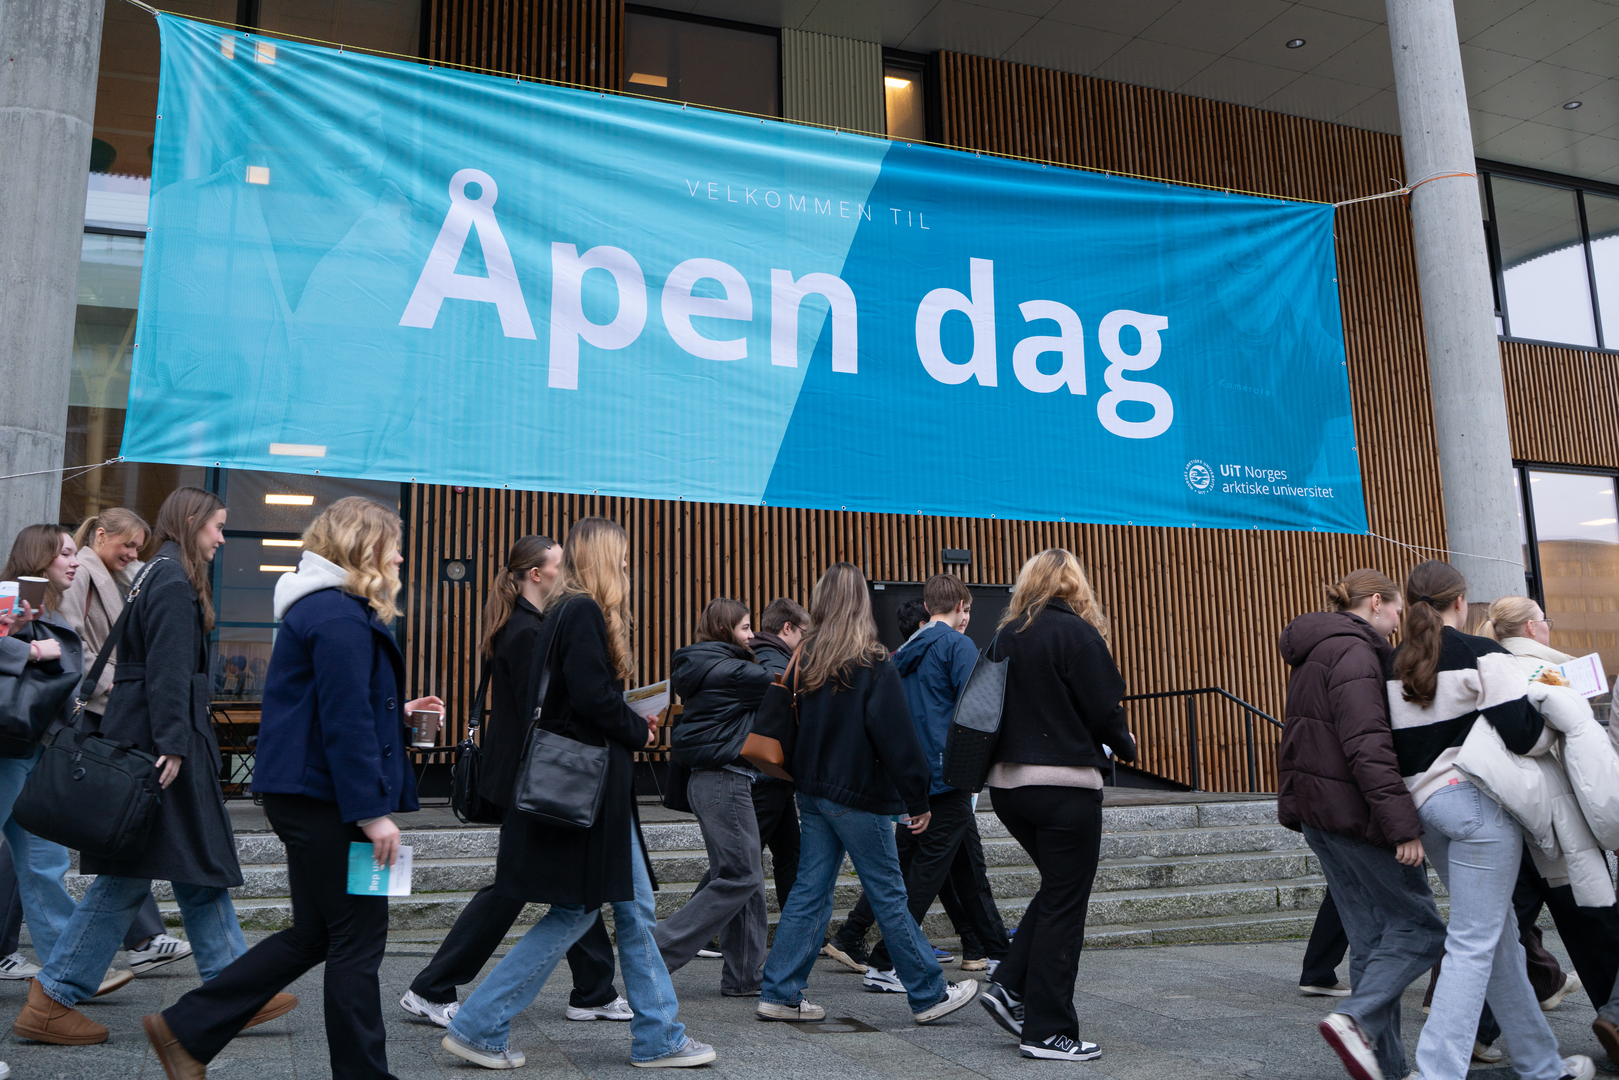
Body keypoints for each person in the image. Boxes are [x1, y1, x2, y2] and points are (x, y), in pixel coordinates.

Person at [141, 497, 434, 1078]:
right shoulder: (338, 615)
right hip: (327, 798)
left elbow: (326, 705)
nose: (401, 556)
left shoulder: (322, 610)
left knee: (313, 935)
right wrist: (373, 813)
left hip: (306, 794)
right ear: (363, 547)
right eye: (392, 544)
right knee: (357, 939)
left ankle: (186, 1029)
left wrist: (395, 711)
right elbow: (344, 722)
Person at [14, 489, 288, 1046]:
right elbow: (165, 666)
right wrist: (174, 743)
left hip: (153, 735)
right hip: (160, 743)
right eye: (216, 527)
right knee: (141, 871)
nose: (220, 539)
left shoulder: (157, 573)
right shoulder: (170, 578)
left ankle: (233, 991)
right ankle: (56, 997)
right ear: (193, 523)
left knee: (188, 864)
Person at [443, 517, 716, 1069]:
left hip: (587, 794)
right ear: (602, 560)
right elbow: (591, 699)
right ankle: (479, 1023)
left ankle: (658, 1035)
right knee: (579, 911)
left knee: (626, 909)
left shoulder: (562, 612)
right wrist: (637, 726)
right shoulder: (583, 612)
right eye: (619, 556)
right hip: (589, 798)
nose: (625, 566)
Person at [404, 535, 630, 1027]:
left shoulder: (520, 625)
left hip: (519, 771)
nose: (564, 572)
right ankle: (431, 985)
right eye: (557, 565)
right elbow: (553, 708)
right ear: (536, 574)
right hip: (532, 774)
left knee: (565, 883)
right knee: (516, 886)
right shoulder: (529, 632)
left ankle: (593, 989)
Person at [1387, 561, 1592, 1080]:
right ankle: (1435, 1072)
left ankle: (1542, 1065)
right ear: (1461, 602)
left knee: (1496, 940)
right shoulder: (1484, 654)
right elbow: (1523, 735)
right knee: (1476, 942)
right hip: (1477, 806)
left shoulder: (1394, 664)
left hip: (1425, 810)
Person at [755, 562, 978, 1027]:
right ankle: (929, 992)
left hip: (811, 791)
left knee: (809, 892)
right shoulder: (871, 660)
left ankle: (780, 992)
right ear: (861, 602)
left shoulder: (807, 655)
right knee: (890, 893)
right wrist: (917, 800)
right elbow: (896, 739)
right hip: (858, 794)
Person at [1276, 569, 1445, 1080]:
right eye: (1396, 609)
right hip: (1353, 813)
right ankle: (1354, 1016)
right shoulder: (1355, 652)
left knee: (1371, 941)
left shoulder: (1318, 647)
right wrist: (1402, 825)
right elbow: (1367, 744)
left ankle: (1388, 1069)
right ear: (1376, 601)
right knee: (1422, 928)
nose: (1399, 622)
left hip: (1320, 811)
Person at [975, 548, 1135, 1062]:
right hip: (1065, 787)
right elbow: (1105, 707)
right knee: (1067, 903)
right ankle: (1048, 1031)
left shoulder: (1005, 636)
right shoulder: (1078, 633)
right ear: (1076, 585)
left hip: (1008, 789)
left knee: (1058, 889)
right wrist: (1125, 743)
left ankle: (1009, 988)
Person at [853, 574, 1009, 992]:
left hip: (915, 778)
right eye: (968, 609)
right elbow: (975, 712)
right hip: (950, 775)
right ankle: (886, 961)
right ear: (960, 604)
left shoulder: (903, 652)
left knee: (966, 867)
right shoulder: (959, 647)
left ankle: (998, 954)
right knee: (927, 876)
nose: (968, 617)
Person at [1483, 595, 1619, 1061]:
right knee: (1592, 919)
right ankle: (1614, 1017)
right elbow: (1565, 746)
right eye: (1545, 620)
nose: (1550, 627)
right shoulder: (1544, 672)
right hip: (1556, 815)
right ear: (1529, 627)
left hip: (1510, 812)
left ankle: (1473, 1028)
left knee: (1508, 921)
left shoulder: (1491, 667)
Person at [58, 508, 192, 977]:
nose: (134, 553)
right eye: (127, 544)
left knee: (115, 831)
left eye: (139, 546)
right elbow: (73, 644)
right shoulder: (84, 577)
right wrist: (123, 683)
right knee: (110, 831)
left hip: (115, 711)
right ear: (100, 535)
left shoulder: (134, 576)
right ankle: (134, 941)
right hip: (100, 709)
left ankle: (141, 938)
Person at [0, 527, 108, 1023]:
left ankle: (70, 966)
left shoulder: (47, 600)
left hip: (29, 747)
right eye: (65, 553)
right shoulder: (20, 594)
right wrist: (31, 652)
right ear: (39, 557)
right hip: (8, 748)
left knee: (43, 861)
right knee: (42, 861)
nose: (73, 561)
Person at [657, 598, 773, 996]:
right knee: (741, 876)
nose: (752, 636)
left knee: (746, 879)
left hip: (712, 782)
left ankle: (744, 977)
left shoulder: (704, 663)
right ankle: (657, 948)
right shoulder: (734, 669)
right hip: (725, 781)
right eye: (745, 628)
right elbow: (782, 680)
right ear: (726, 632)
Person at [749, 597, 808, 911]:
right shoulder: (776, 663)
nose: (804, 641)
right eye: (803, 633)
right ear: (788, 627)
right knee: (744, 860)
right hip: (769, 772)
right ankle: (700, 933)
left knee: (789, 854)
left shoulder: (756, 654)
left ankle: (795, 926)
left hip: (771, 773)